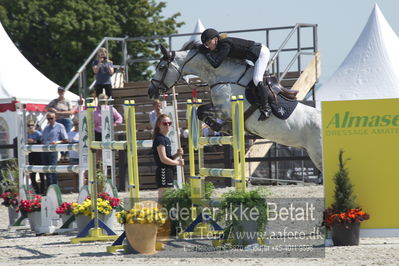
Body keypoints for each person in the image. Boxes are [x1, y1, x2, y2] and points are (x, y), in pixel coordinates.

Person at [200, 28, 272, 121]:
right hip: (254, 56)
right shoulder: (220, 45)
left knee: (257, 79)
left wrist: (206, 53)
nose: (208, 46)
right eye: (206, 45)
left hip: (261, 53)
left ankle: (266, 108)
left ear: (216, 39)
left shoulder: (225, 44)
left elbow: (215, 64)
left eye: (209, 42)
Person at [152, 114, 184, 199]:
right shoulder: (159, 139)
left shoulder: (166, 139)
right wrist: (178, 162)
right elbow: (163, 159)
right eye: (165, 123)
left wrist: (177, 154)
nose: (168, 125)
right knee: (163, 199)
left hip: (169, 171)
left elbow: (169, 158)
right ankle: (161, 212)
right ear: (159, 125)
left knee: (168, 199)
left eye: (169, 123)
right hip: (163, 171)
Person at [46, 86, 74, 160]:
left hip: (66, 120)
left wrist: (59, 112)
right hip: (58, 121)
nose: (61, 93)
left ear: (64, 92)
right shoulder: (55, 101)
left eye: (62, 91)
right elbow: (47, 107)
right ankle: (62, 153)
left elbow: (71, 112)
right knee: (59, 137)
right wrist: (52, 109)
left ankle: (67, 153)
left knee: (67, 136)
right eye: (60, 91)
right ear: (58, 92)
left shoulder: (67, 101)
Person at [41, 112, 68, 186]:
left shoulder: (60, 126)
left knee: (53, 169)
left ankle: (55, 186)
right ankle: (49, 187)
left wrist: (56, 142)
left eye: (51, 118)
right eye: (48, 119)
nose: (50, 120)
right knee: (46, 170)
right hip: (45, 150)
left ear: (55, 118)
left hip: (54, 150)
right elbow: (42, 139)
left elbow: (65, 139)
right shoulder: (46, 127)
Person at [94, 93, 123, 161]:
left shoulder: (111, 109)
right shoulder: (94, 110)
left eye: (105, 99)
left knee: (108, 149)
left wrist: (115, 124)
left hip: (108, 131)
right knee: (98, 150)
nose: (103, 101)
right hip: (98, 132)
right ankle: (98, 165)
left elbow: (119, 118)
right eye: (102, 99)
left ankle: (109, 165)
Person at [27, 120, 46, 195]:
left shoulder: (38, 133)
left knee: (41, 174)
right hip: (31, 155)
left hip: (39, 155)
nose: (30, 127)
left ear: (34, 126)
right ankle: (37, 191)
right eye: (29, 125)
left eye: (32, 125)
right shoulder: (26, 134)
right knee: (32, 175)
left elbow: (41, 142)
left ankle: (43, 191)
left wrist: (34, 142)